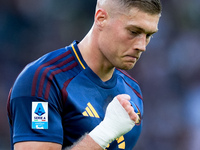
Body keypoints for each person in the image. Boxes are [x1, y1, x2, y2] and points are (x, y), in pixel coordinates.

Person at [7, 0, 162, 149]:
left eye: (149, 35)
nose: (142, 46)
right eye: (134, 32)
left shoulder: (132, 91)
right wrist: (105, 133)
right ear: (101, 18)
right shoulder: (44, 80)